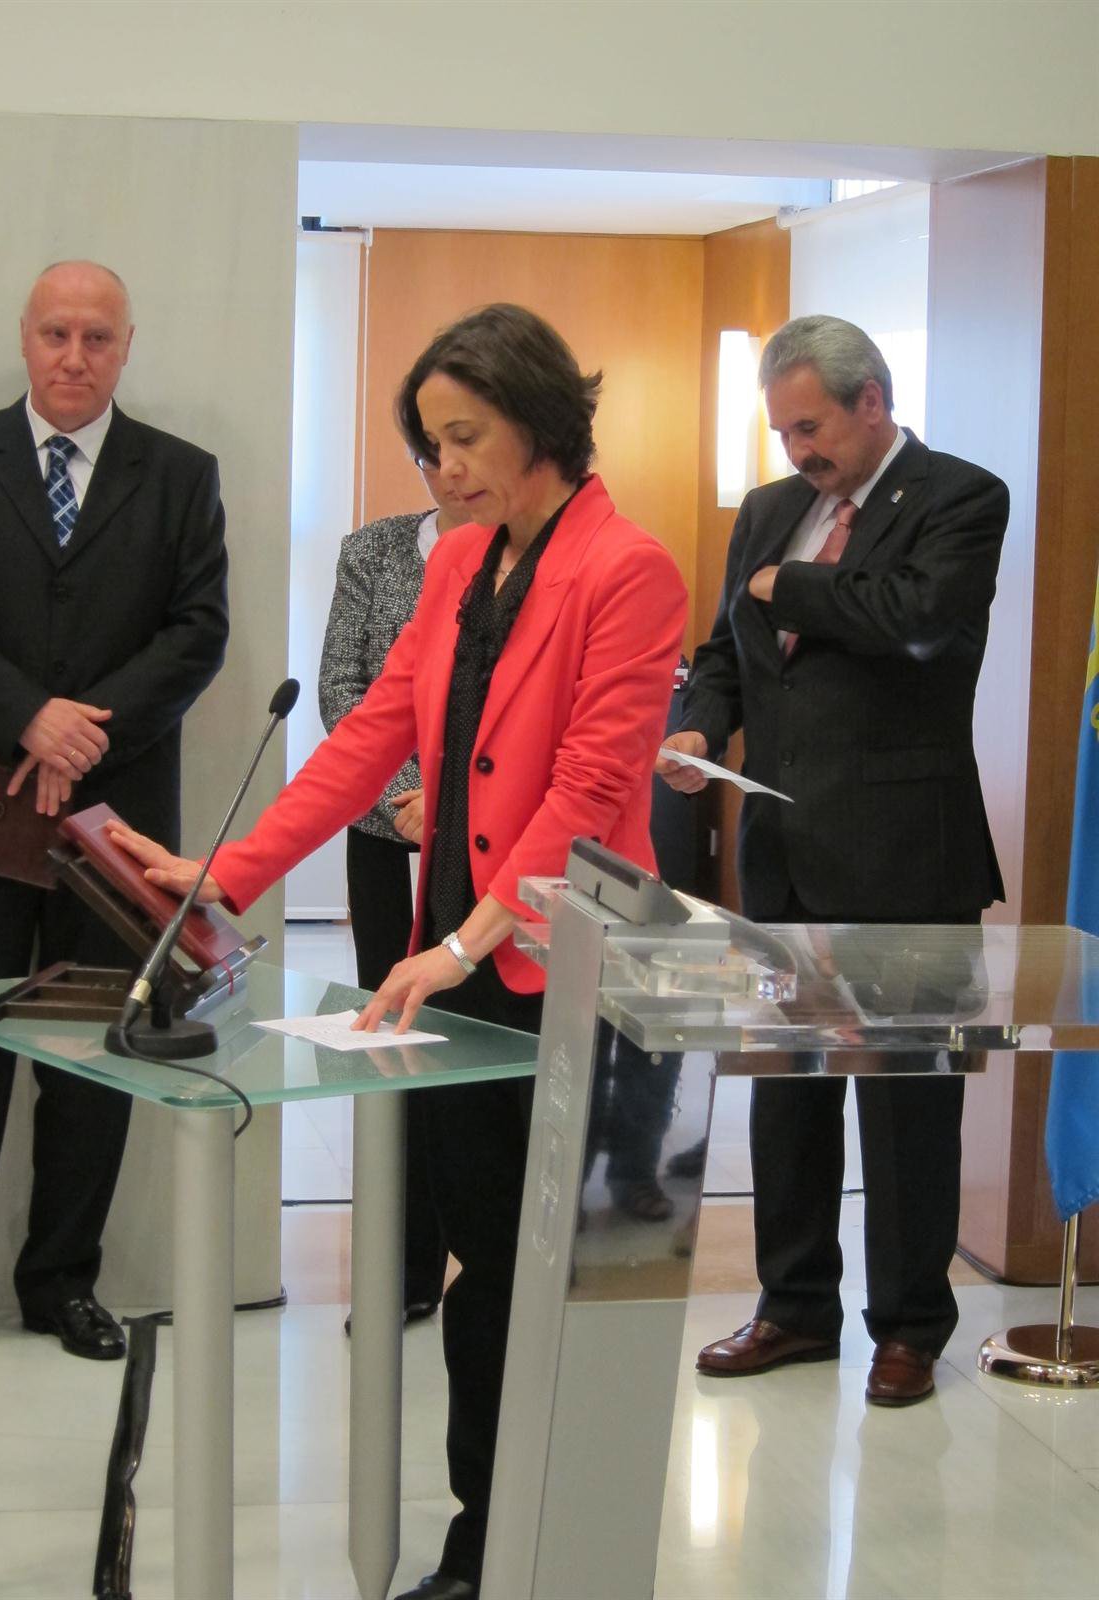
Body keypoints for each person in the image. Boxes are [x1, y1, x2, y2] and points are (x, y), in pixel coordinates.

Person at [111, 302, 688, 1600]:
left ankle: (551, 1544)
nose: (444, 469)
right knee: (485, 1265)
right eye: (430, 445)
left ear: (541, 419)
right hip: (465, 964)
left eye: (466, 437)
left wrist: (468, 941)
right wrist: (227, 875)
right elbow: (372, 735)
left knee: (556, 1280)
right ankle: (487, 1535)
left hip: (572, 972)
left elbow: (590, 792)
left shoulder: (628, 568)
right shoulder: (456, 567)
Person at [658, 314, 1008, 1407]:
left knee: (908, 1109)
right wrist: (701, 727)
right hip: (783, 854)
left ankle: (908, 1326)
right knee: (790, 1096)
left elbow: (916, 620)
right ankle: (794, 1306)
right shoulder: (770, 510)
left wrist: (785, 588)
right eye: (782, 431)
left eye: (810, 427)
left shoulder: (961, 496)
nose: (796, 451)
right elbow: (726, 653)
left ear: (872, 401)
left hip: (909, 856)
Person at [0, 261, 229, 1364]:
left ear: (127, 346)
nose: (75, 357)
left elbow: (198, 631)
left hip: (114, 825)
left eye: (97, 337)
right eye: (56, 334)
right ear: (25, 338)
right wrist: (26, 717)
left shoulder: (180, 474)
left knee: (94, 1057)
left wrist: (84, 734)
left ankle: (62, 1282)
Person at [318, 462, 467, 1325]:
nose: (448, 466)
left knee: (467, 1047)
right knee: (394, 1044)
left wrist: (447, 805)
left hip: (479, 845)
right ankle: (405, 1265)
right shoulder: (373, 550)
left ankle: (475, 1256)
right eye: (430, 449)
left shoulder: (530, 555)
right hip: (384, 834)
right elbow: (345, 692)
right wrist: (405, 798)